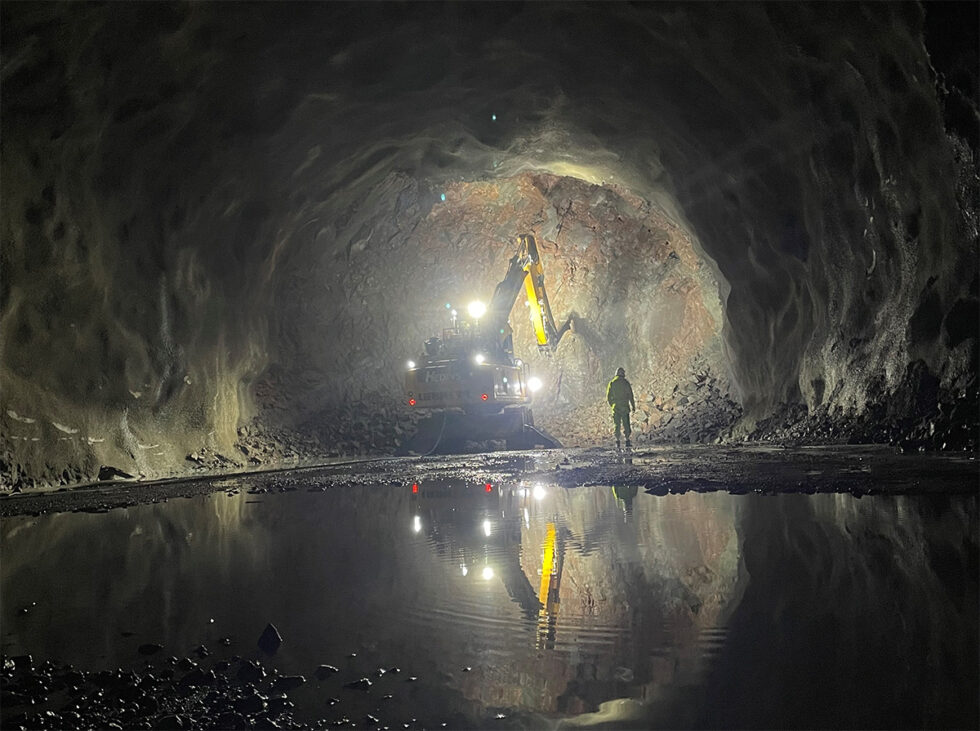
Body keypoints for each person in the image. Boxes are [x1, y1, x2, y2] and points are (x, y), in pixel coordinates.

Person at [606, 367, 636, 449]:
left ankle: (617, 440)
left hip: (616, 407)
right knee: (626, 423)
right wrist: (633, 406)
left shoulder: (612, 383)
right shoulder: (625, 383)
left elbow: (608, 397)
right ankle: (627, 439)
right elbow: (630, 395)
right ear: (623, 373)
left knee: (617, 424)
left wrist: (612, 405)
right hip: (624, 406)